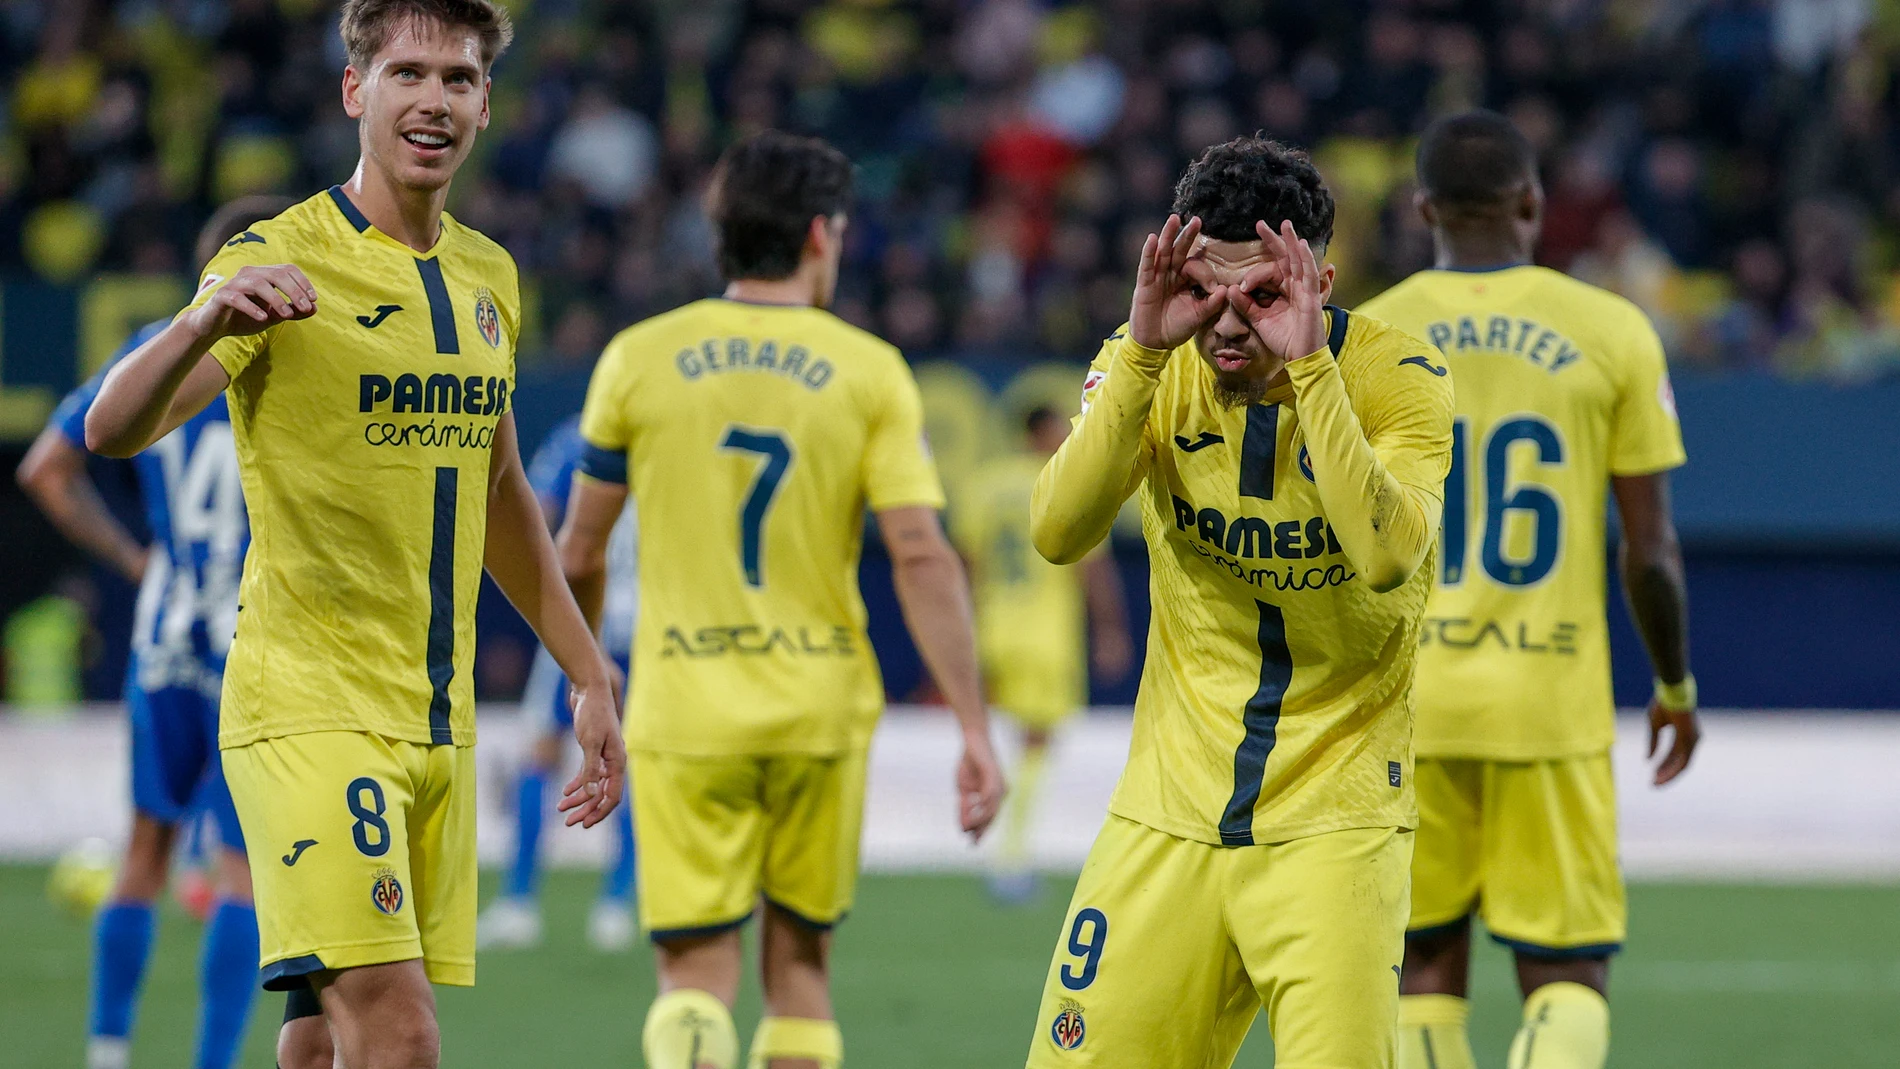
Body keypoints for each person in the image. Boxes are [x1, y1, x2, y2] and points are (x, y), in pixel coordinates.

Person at [81, 3, 626, 1068]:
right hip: (307, 706)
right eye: (408, 73)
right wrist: (199, 320)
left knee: (322, 1041)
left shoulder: (490, 279)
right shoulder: (275, 257)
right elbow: (110, 429)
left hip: (433, 714)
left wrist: (587, 670)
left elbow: (503, 486)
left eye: (459, 79)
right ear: (354, 90)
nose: (434, 99)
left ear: (484, 105)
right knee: (401, 1032)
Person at [558, 129, 1007, 1069]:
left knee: (692, 977)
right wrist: (971, 723)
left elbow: (581, 549)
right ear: (819, 234)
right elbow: (920, 552)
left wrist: (588, 678)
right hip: (819, 706)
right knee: (800, 970)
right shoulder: (868, 366)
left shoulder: (638, 357)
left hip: (683, 706)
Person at [1024, 135, 1455, 1068]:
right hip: (1166, 812)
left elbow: (1385, 556)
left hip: (1335, 824)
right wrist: (1141, 348)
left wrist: (1309, 369)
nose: (1223, 325)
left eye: (1259, 296)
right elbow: (1057, 531)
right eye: (1206, 292)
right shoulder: (1149, 358)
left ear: (1318, 283)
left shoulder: (1401, 379)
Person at [1360, 109, 1699, 1069]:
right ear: (1531, 202)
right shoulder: (1611, 331)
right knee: (1567, 974)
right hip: (1549, 704)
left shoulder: (1368, 333)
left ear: (1422, 207)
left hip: (1406, 707)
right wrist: (1674, 685)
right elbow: (1651, 550)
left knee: (1421, 968)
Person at [18, 193, 293, 1069]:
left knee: (144, 852)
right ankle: (212, 1062)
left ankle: (107, 1048)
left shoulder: (159, 363)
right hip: (258, 641)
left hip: (167, 636)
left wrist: (138, 559)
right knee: (244, 872)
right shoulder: (287, 361)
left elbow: (46, 467)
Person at [952, 406, 1133, 903]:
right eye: (1060, 429)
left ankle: (983, 831)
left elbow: (966, 563)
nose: (1068, 435)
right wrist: (1111, 629)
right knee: (1037, 743)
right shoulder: (1063, 480)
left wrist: (961, 631)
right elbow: (1090, 567)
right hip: (1044, 634)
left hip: (991, 628)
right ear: (1038, 433)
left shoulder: (982, 485)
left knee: (989, 734)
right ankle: (1010, 856)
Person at [478, 414, 639, 952]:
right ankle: (618, 906)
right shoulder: (674, 437)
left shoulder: (578, 439)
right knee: (631, 762)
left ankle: (519, 902)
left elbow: (534, 510)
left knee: (541, 754)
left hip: (587, 621)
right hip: (654, 627)